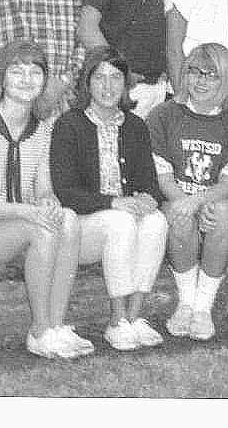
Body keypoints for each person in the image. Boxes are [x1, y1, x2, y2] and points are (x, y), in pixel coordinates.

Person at [0, 41, 91, 359]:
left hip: (12, 226)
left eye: (35, 72)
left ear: (45, 80)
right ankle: (39, 331)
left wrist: (48, 201)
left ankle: (57, 326)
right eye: (16, 71)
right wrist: (30, 212)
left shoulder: (42, 130)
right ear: (2, 77)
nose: (26, 79)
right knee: (40, 228)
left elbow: (44, 188)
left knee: (67, 219)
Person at [50, 47, 169, 352]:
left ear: (125, 83)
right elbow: (66, 191)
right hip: (83, 229)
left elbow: (149, 182)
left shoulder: (135, 126)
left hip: (123, 220)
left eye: (116, 77)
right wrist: (113, 202)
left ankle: (134, 317)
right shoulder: (68, 124)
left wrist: (149, 199)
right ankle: (116, 321)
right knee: (120, 221)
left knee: (156, 221)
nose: (108, 86)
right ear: (87, 83)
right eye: (99, 77)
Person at [147, 43, 228, 341]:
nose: (201, 81)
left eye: (212, 75)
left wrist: (198, 201)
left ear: (226, 80)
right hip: (176, 199)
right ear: (185, 74)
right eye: (195, 72)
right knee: (179, 215)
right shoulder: (163, 114)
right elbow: (162, 177)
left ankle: (202, 307)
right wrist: (189, 204)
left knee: (225, 211)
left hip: (212, 203)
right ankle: (185, 303)